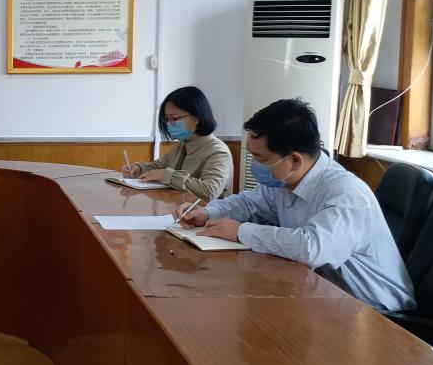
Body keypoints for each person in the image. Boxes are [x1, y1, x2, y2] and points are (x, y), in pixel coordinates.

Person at [173, 98, 415, 312]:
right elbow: (249, 203)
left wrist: (241, 231)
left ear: (295, 160)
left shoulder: (346, 194)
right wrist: (207, 213)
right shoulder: (284, 179)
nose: (255, 165)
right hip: (324, 293)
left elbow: (312, 248)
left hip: (375, 311)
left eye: (261, 158)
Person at [122, 86, 233, 200]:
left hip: (203, 211)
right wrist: (138, 168)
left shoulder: (218, 152)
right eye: (167, 119)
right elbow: (157, 166)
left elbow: (210, 191)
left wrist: (166, 175)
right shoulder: (181, 146)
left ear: (197, 118)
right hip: (177, 207)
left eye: (175, 118)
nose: (169, 124)